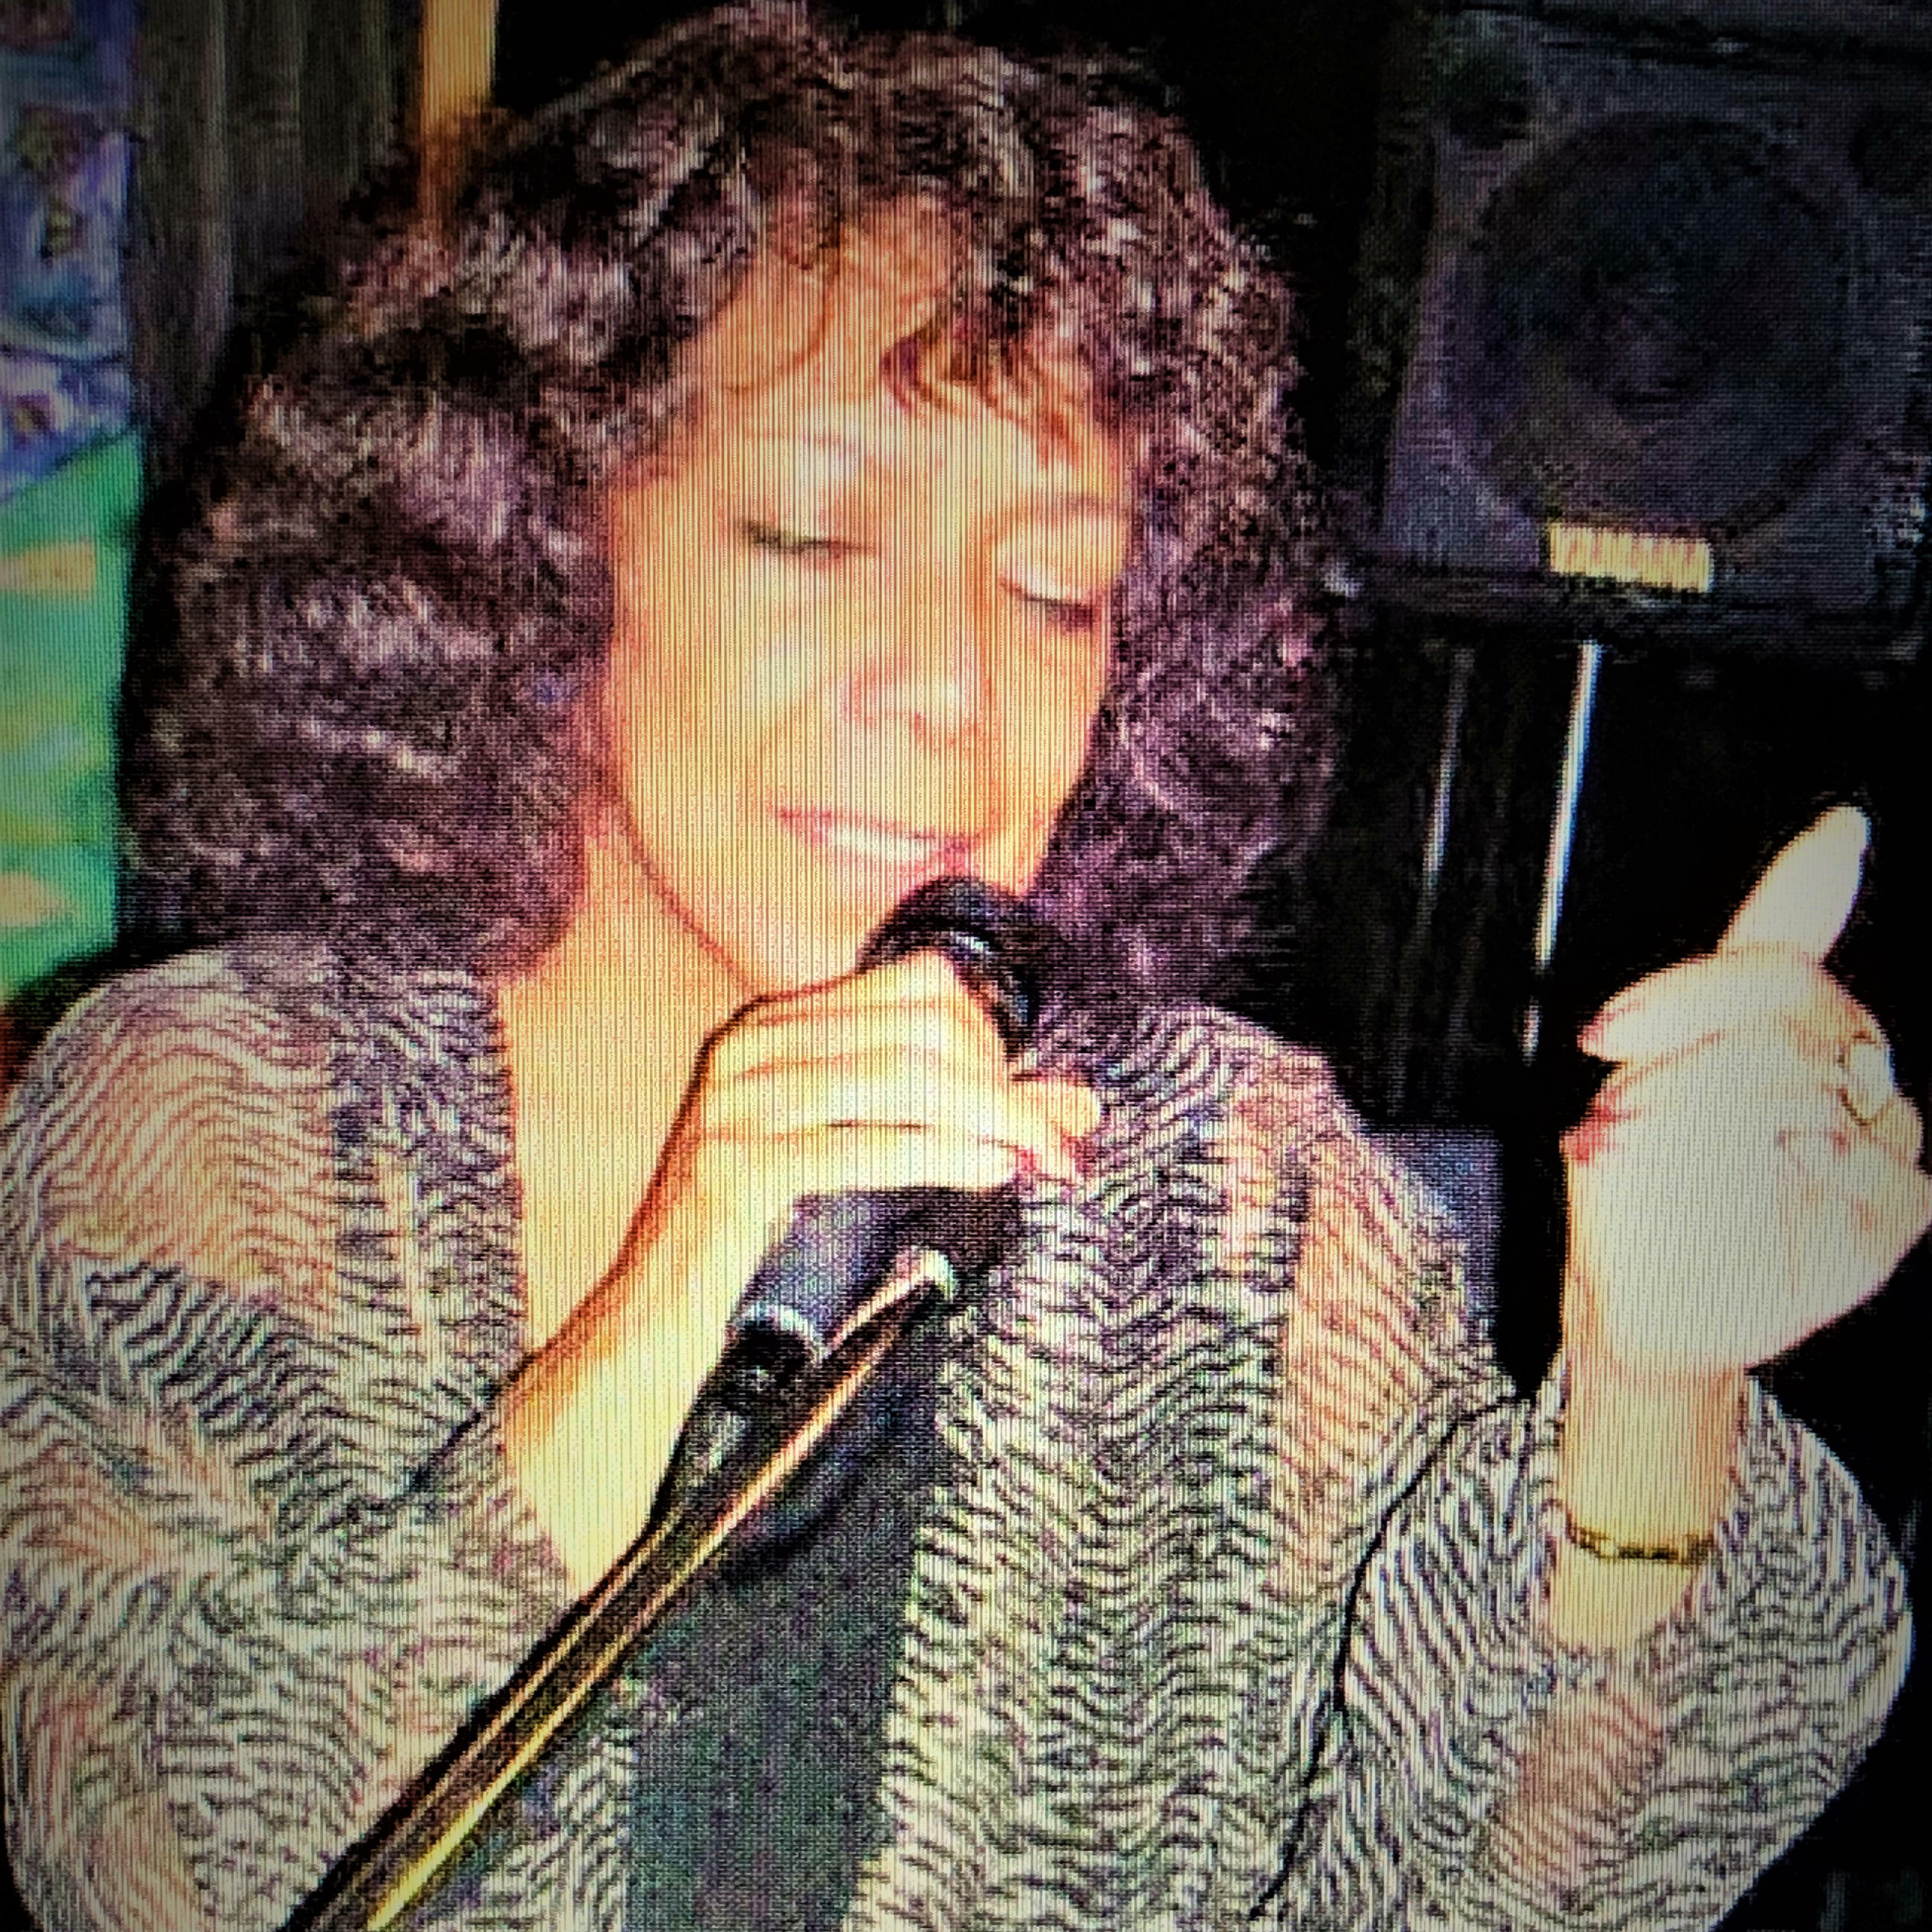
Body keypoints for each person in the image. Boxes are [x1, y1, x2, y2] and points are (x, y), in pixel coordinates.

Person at [3, 6, 1927, 1929]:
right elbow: (143, 1868)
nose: (947, 690)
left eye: (1051, 591)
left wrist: (1652, 1392)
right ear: (538, 545)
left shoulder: (1240, 1203)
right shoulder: (211, 1119)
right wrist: (672, 1298)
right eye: (806, 534)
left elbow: (1478, 1902)